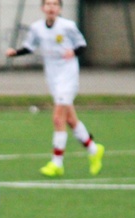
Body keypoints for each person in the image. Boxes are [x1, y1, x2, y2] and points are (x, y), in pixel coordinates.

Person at [6, 0, 104, 177]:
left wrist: (73, 52)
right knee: (70, 119)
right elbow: (30, 46)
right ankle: (93, 149)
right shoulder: (36, 28)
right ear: (42, 8)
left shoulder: (68, 26)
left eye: (55, 4)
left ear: (60, 9)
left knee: (58, 118)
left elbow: (82, 45)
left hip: (68, 75)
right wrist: (16, 52)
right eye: (48, 4)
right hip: (52, 77)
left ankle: (57, 163)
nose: (51, 7)